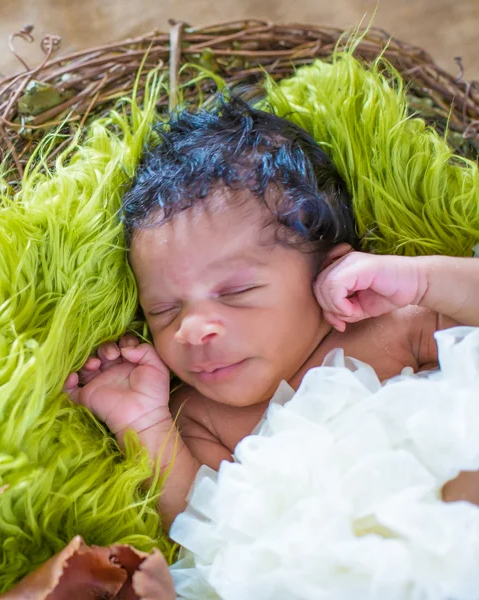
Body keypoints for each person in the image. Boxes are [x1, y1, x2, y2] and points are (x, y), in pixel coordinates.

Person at [62, 96, 479, 527]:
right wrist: (144, 422)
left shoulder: (396, 327)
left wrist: (421, 280)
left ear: (330, 272)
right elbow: (208, 534)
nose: (191, 329)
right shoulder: (200, 415)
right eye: (164, 309)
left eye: (236, 291)